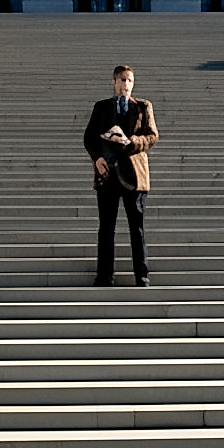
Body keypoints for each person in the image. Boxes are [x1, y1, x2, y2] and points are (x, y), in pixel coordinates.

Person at [83, 65, 159, 287]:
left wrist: (131, 142)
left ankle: (142, 276)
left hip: (134, 175)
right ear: (114, 82)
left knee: (137, 228)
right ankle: (104, 276)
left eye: (129, 80)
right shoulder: (101, 107)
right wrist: (97, 158)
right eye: (122, 80)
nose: (126, 84)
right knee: (106, 228)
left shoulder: (144, 106)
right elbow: (89, 138)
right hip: (108, 174)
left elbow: (152, 136)